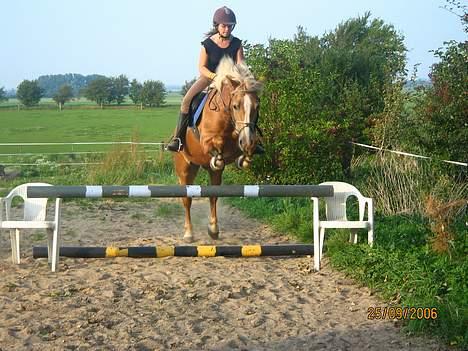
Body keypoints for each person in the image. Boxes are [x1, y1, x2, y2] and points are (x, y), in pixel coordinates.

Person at [166, 6, 263, 154]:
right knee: (186, 100)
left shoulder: (237, 43)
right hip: (209, 78)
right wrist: (214, 77)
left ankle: (253, 140)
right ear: (217, 26)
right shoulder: (207, 44)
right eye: (224, 26)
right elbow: (202, 67)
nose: (227, 29)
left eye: (230, 26)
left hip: (231, 81)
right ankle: (178, 139)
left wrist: (248, 78)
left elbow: (241, 65)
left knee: (249, 103)